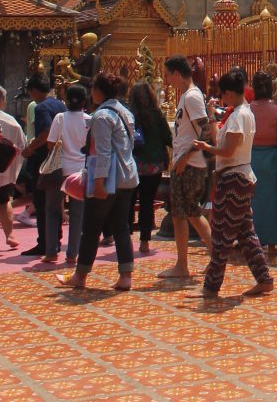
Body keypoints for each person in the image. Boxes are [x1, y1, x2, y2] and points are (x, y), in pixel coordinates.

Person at [198, 69, 273, 299]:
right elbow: (219, 137)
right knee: (245, 233)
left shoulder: (240, 115)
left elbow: (227, 149)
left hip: (233, 179)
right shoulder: (237, 113)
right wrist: (211, 116)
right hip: (237, 176)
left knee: (221, 234)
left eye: (223, 94)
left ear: (230, 93)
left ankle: (211, 285)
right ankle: (264, 278)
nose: (222, 98)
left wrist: (206, 148)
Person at [61, 74, 139, 292]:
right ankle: (125, 276)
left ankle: (80, 275)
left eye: (93, 88)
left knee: (91, 228)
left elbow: (103, 152)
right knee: (121, 227)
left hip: (109, 179)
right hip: (128, 177)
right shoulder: (125, 112)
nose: (90, 93)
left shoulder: (102, 116)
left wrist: (98, 183)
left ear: (99, 91)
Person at [161, 55, 213, 281]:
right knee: (189, 213)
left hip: (189, 164)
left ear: (176, 74)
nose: (166, 79)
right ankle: (214, 257)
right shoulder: (188, 96)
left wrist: (186, 156)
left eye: (167, 74)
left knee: (184, 214)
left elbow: (206, 131)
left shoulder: (191, 97)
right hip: (187, 162)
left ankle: (183, 265)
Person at [44, 82, 90, 266]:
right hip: (80, 171)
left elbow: (50, 143)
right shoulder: (89, 120)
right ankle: (72, 254)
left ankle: (51, 251)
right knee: (78, 214)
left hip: (60, 170)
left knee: (52, 210)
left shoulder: (60, 118)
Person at [19, 74, 64, 258]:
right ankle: (55, 240)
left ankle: (45, 242)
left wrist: (30, 148)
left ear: (34, 91)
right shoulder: (60, 104)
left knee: (42, 202)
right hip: (61, 159)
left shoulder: (41, 108)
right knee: (56, 202)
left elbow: (45, 132)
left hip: (44, 161)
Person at [128, 82, 172, 254]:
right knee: (147, 201)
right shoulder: (157, 115)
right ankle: (145, 240)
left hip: (135, 164)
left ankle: (127, 237)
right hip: (154, 165)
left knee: (129, 201)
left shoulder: (131, 115)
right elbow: (168, 138)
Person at [249, 71, 277, 255]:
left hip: (252, 158)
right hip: (272, 157)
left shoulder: (247, 109)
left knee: (253, 200)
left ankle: (252, 240)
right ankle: (272, 243)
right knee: (274, 200)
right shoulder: (276, 110)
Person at [0, 85, 25, 250]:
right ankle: (10, 234)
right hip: (4, 169)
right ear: (1, 100)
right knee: (3, 201)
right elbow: (22, 146)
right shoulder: (11, 121)